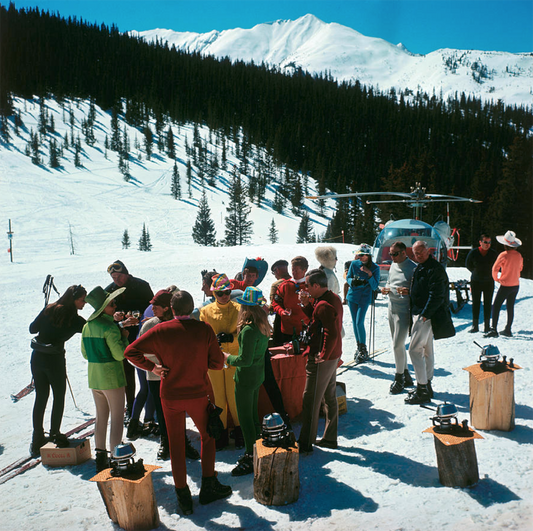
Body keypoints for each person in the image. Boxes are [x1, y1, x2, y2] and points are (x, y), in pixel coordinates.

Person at [124, 290, 232, 516]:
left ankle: (182, 494)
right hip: (198, 394)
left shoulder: (160, 330)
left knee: (175, 444)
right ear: (192, 308)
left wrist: (153, 368)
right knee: (207, 436)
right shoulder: (203, 329)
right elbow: (214, 364)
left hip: (170, 395)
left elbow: (130, 351)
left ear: (171, 310)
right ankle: (208, 485)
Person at [134, 289, 200, 461]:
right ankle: (166, 441)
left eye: (155, 306)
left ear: (166, 308)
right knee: (162, 411)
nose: (152, 309)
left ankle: (183, 442)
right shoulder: (149, 325)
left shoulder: (183, 323)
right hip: (157, 378)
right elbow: (140, 351)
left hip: (179, 376)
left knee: (179, 410)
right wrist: (156, 365)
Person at [28, 285, 87, 456]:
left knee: (41, 397)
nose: (84, 303)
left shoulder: (50, 308)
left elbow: (33, 329)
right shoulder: (74, 319)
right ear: (73, 299)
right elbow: (90, 329)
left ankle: (37, 438)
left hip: (38, 357)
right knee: (58, 396)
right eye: (82, 300)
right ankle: (55, 433)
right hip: (55, 359)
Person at [81, 286, 130, 471]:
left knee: (101, 417)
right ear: (103, 308)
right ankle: (117, 458)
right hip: (112, 379)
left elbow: (85, 354)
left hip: (95, 378)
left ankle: (100, 456)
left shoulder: (87, 326)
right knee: (117, 418)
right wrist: (124, 337)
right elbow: (120, 355)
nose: (115, 306)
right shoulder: (110, 327)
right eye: (112, 304)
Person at [224, 287, 271, 476]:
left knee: (245, 419)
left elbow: (245, 360)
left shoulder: (248, 330)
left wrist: (227, 357)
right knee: (253, 416)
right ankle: (257, 448)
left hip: (245, 378)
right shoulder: (263, 326)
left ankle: (250, 455)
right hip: (257, 376)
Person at [297, 268, 343, 453]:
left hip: (322, 358)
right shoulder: (331, 299)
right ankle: (329, 438)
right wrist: (307, 304)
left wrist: (322, 355)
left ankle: (306, 443)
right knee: (329, 397)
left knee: (311, 399)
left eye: (307, 285)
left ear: (316, 285)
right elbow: (319, 321)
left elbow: (330, 333)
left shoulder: (324, 304)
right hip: (332, 356)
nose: (305, 288)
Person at [406, 241, 455, 405]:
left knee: (414, 350)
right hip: (420, 313)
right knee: (427, 350)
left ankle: (422, 388)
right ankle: (426, 384)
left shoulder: (435, 268)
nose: (418, 256)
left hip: (426, 315)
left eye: (420, 252)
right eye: (415, 253)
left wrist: (425, 315)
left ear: (428, 251)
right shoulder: (421, 266)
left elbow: (437, 294)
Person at [105, 260, 154, 421]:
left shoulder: (141, 286)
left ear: (126, 273)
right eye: (113, 277)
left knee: (148, 372)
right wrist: (115, 317)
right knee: (127, 374)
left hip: (142, 335)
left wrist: (137, 317)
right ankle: (131, 407)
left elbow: (152, 309)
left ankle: (150, 405)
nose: (116, 280)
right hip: (122, 337)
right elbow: (103, 315)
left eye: (119, 276)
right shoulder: (110, 291)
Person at [199, 273, 243, 450]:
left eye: (227, 292)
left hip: (234, 358)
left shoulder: (240, 309)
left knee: (234, 396)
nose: (224, 296)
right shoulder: (205, 311)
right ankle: (221, 433)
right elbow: (202, 336)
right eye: (220, 293)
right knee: (218, 397)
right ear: (213, 294)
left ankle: (240, 432)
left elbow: (245, 334)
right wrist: (212, 341)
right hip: (215, 360)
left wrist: (231, 339)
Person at [381, 242, 417, 394]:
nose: (392, 257)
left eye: (395, 254)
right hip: (392, 307)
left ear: (404, 253)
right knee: (397, 344)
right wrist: (386, 288)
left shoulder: (413, 268)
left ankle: (399, 377)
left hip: (404, 310)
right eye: (390, 254)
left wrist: (409, 291)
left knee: (397, 344)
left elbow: (418, 290)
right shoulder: (394, 265)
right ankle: (406, 374)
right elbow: (390, 281)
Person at [346, 244, 380, 363]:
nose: (359, 257)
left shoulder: (375, 268)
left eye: (362, 255)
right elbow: (348, 277)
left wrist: (369, 274)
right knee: (355, 323)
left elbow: (375, 286)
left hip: (365, 297)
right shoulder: (354, 264)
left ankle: (363, 348)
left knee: (359, 322)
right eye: (358, 254)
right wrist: (352, 281)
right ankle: (359, 347)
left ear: (368, 256)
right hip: (352, 296)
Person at [485, 231, 523, 338]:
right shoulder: (519, 255)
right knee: (510, 307)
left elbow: (495, 268)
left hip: (505, 285)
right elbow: (520, 268)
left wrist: (496, 279)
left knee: (496, 306)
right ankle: (508, 329)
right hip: (515, 285)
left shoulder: (504, 255)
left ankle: (493, 329)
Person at [271, 256, 310, 344]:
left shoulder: (310, 285)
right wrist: (281, 312)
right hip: (287, 330)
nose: (293, 273)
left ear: (305, 270)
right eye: (292, 270)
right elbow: (275, 303)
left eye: (296, 270)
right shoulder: (285, 285)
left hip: (305, 329)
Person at [466, 234, 498, 333]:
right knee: (476, 303)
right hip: (476, 281)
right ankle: (475, 326)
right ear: (480, 242)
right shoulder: (473, 252)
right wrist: (476, 272)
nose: (487, 244)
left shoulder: (493, 253)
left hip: (489, 282)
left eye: (489, 242)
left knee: (488, 304)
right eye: (485, 242)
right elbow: (468, 264)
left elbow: (497, 266)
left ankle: (487, 326)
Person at [268, 259, 291, 346]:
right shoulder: (295, 282)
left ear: (277, 270)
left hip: (281, 320)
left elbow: (273, 305)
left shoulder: (276, 284)